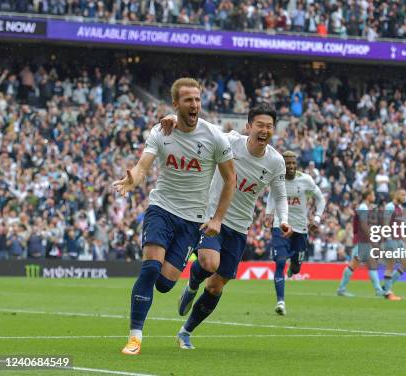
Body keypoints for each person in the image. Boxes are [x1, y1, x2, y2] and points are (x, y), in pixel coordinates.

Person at [113, 78, 236, 355]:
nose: (194, 105)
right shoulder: (162, 131)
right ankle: (135, 337)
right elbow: (144, 165)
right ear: (176, 104)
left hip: (192, 221)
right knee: (150, 268)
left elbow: (230, 179)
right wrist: (134, 178)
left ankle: (186, 282)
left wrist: (217, 218)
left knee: (165, 284)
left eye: (197, 99)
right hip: (161, 209)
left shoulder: (214, 136)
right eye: (188, 100)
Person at [160, 105, 292, 350]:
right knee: (209, 263)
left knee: (216, 286)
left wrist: (283, 219)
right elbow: (202, 129)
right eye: (260, 125)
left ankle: (185, 331)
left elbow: (280, 195)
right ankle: (191, 285)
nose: (264, 130)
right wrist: (175, 119)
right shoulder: (231, 141)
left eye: (269, 126)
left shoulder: (275, 161)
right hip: (212, 216)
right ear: (248, 127)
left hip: (240, 227)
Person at [265, 150, 326, 315]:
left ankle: (294, 267)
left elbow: (320, 199)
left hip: (300, 229)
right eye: (287, 163)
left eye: (293, 163)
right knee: (279, 262)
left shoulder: (306, 180)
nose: (291, 166)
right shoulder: (277, 179)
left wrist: (317, 219)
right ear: (283, 164)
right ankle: (281, 302)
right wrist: (269, 213)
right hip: (281, 225)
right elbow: (272, 196)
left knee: (297, 267)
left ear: (296, 164)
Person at [336, 190, 389, 298]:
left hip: (363, 240)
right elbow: (364, 225)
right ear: (368, 196)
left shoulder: (365, 207)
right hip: (362, 240)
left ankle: (378, 290)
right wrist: (373, 240)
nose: (374, 196)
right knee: (354, 265)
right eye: (373, 194)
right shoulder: (363, 207)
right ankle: (341, 289)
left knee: (371, 265)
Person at [381, 189, 406, 301]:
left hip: (399, 240)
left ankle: (386, 286)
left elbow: (400, 226)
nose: (404, 197)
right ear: (396, 194)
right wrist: (387, 240)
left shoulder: (400, 208)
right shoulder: (390, 207)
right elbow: (385, 224)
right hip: (391, 240)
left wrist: (404, 241)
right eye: (403, 195)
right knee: (390, 266)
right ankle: (388, 293)